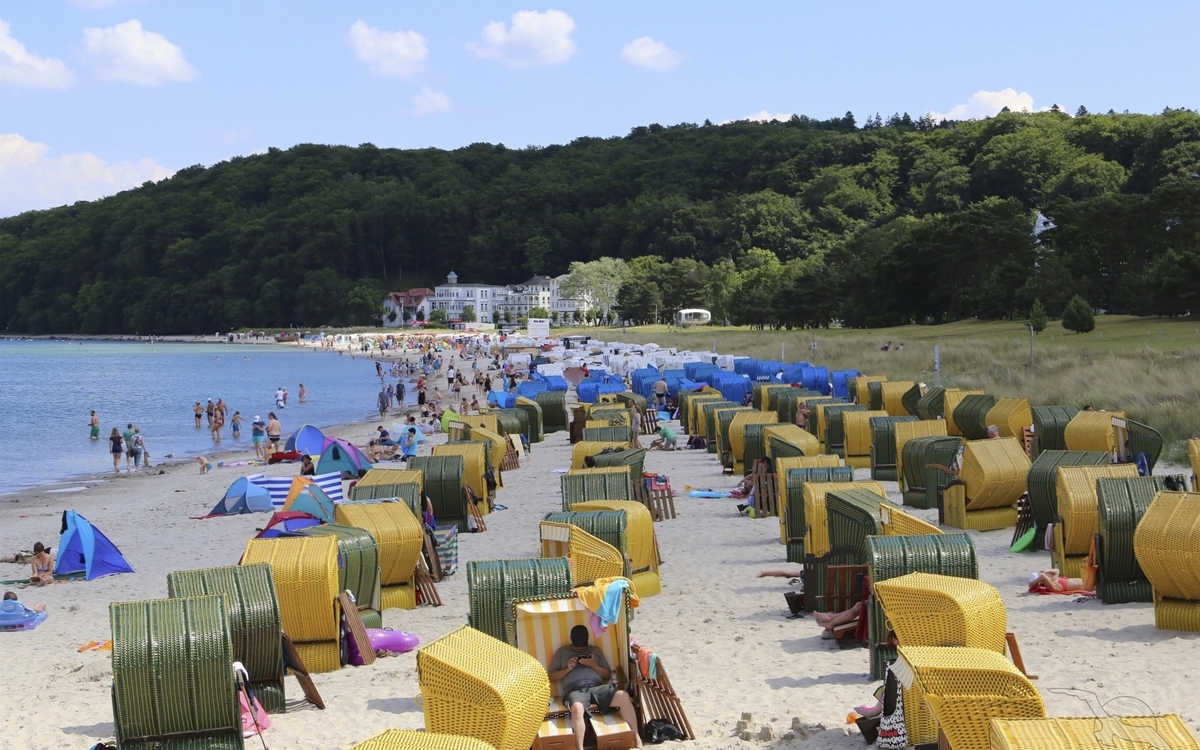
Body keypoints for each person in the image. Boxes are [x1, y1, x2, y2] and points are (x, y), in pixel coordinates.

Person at [548, 625, 643, 750]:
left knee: (623, 696)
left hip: (597, 687)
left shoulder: (595, 651)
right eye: (577, 647)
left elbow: (607, 676)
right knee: (577, 708)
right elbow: (551, 677)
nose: (580, 649)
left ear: (588, 638)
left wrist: (593, 665)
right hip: (575, 690)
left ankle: (636, 736)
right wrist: (567, 669)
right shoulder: (562, 652)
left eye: (583, 646)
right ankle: (579, 748)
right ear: (571, 638)